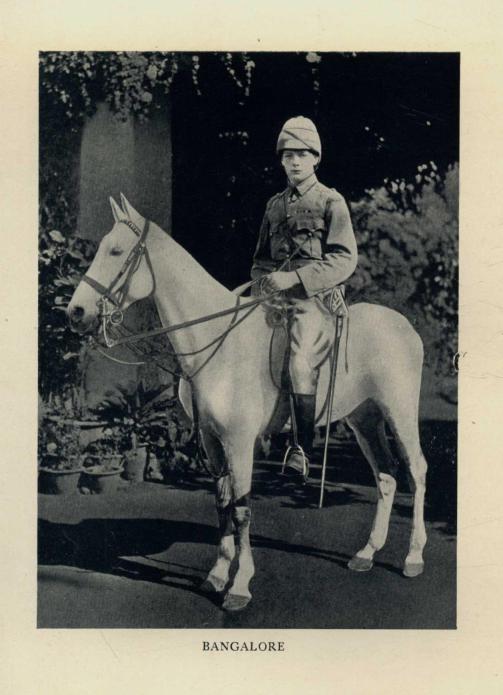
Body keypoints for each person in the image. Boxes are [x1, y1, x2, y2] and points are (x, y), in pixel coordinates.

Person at [251, 116, 358, 474]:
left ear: (316, 158)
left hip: (314, 300)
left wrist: (294, 278)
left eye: (302, 154)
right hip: (275, 300)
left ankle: (300, 449)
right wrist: (261, 287)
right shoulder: (274, 205)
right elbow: (261, 260)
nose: (295, 161)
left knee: (299, 360)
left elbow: (344, 259)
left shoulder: (330, 201)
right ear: (281, 160)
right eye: (288, 155)